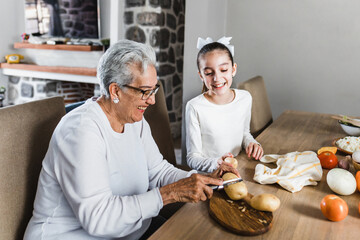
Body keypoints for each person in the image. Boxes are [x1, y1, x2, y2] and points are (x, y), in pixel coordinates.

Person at [24, 40, 239, 240]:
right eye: (145, 91)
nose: (153, 100)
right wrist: (169, 194)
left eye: (154, 89)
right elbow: (98, 219)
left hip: (131, 231)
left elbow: (159, 171)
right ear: (115, 90)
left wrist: (202, 179)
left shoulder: (134, 120)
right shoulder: (81, 131)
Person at [185, 37, 264, 173]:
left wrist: (252, 143)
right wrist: (216, 163)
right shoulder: (194, 107)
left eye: (223, 70)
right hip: (211, 175)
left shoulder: (245, 98)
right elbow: (192, 158)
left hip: (238, 169)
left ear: (233, 69)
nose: (217, 78)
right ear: (201, 76)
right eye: (209, 73)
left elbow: (244, 133)